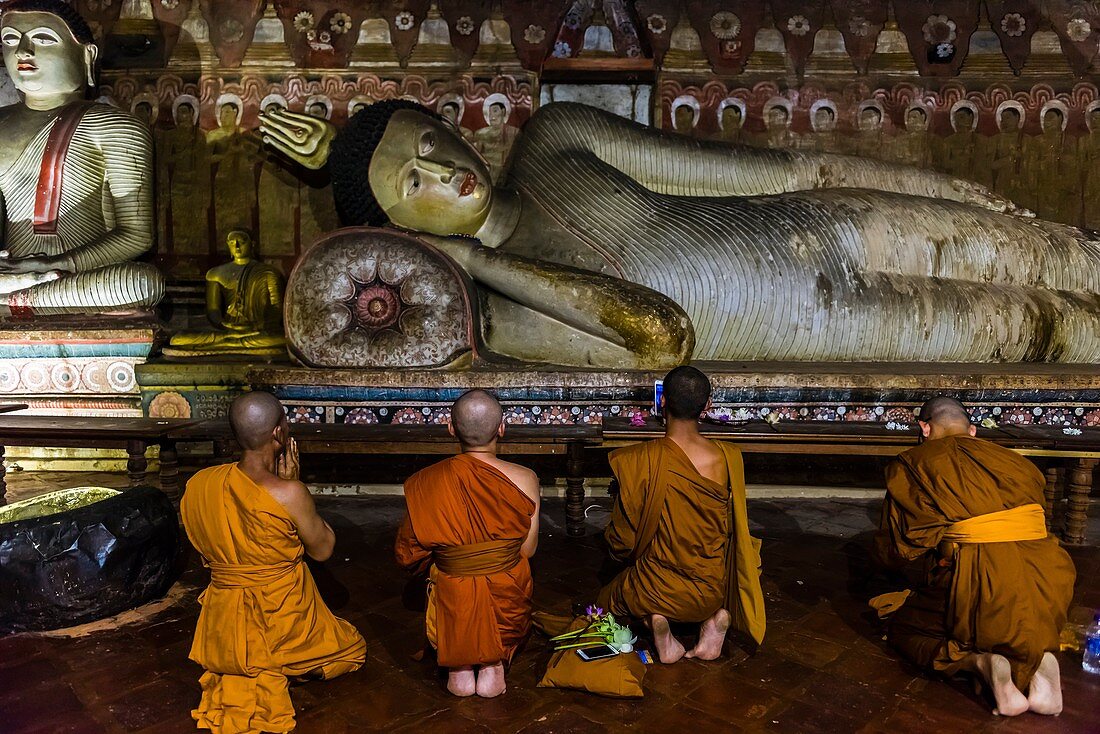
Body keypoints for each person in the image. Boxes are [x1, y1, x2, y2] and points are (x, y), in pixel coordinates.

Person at [260, 97, 1100, 369]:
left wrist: (954, 190)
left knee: (1065, 250)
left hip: (836, 225)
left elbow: (777, 172)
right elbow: (661, 335)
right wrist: (475, 261)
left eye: (433, 142)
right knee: (1063, 330)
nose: (446, 172)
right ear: (404, 233)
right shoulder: (505, 313)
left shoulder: (555, 138)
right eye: (416, 184)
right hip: (849, 323)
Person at [872, 396, 1075, 717]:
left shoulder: (914, 463)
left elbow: (903, 548)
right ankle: (1039, 664)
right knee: (1019, 620)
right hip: (1051, 577)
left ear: (924, 428)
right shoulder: (1016, 462)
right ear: (973, 430)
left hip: (979, 581)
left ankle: (979, 661)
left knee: (906, 630)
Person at [181, 392, 366, 733]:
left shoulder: (199, 485)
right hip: (282, 618)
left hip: (223, 626)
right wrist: (294, 486)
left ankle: (254, 658)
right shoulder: (288, 492)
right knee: (351, 648)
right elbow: (323, 549)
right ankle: (290, 660)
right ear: (280, 434)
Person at [0, 0, 164, 317]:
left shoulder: (118, 127)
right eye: (9, 39)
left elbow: (136, 235)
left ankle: (16, 305)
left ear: (87, 55)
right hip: (10, 277)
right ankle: (17, 300)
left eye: (43, 38)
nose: (22, 51)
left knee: (142, 283)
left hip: (81, 279)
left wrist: (54, 264)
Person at [595, 366, 765, 663]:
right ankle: (711, 622)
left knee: (607, 600)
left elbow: (622, 541)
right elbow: (730, 529)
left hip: (655, 587)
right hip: (713, 589)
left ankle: (655, 622)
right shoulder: (727, 457)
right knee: (703, 587)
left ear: (662, 401)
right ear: (708, 406)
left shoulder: (640, 459)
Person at [394, 389, 540, 698]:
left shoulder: (427, 481)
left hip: (453, 592)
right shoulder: (525, 478)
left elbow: (407, 554)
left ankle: (458, 665)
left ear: (451, 428)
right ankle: (493, 665)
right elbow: (527, 550)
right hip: (506, 589)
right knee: (515, 567)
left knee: (445, 576)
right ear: (502, 428)